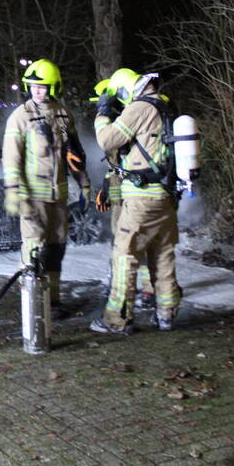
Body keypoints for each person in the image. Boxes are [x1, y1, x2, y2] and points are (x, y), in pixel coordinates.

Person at [90, 68, 182, 335]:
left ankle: (116, 320)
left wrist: (103, 113)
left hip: (141, 198)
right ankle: (166, 315)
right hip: (166, 195)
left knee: (124, 257)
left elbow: (107, 140)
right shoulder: (166, 105)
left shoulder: (140, 107)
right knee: (162, 254)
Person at [3, 59, 90, 315]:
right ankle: (32, 303)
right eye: (33, 87)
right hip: (33, 198)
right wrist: (12, 190)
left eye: (43, 87)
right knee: (34, 249)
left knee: (56, 249)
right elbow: (11, 157)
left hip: (58, 197)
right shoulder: (21, 116)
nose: (37, 91)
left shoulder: (63, 115)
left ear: (54, 87)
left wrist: (85, 186)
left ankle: (52, 302)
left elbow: (74, 156)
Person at [93, 79, 155, 309]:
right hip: (122, 195)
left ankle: (150, 289)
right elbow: (114, 164)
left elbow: (114, 145)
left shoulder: (131, 119)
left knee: (142, 242)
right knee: (121, 243)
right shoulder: (122, 120)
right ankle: (120, 284)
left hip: (138, 194)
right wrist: (107, 189)